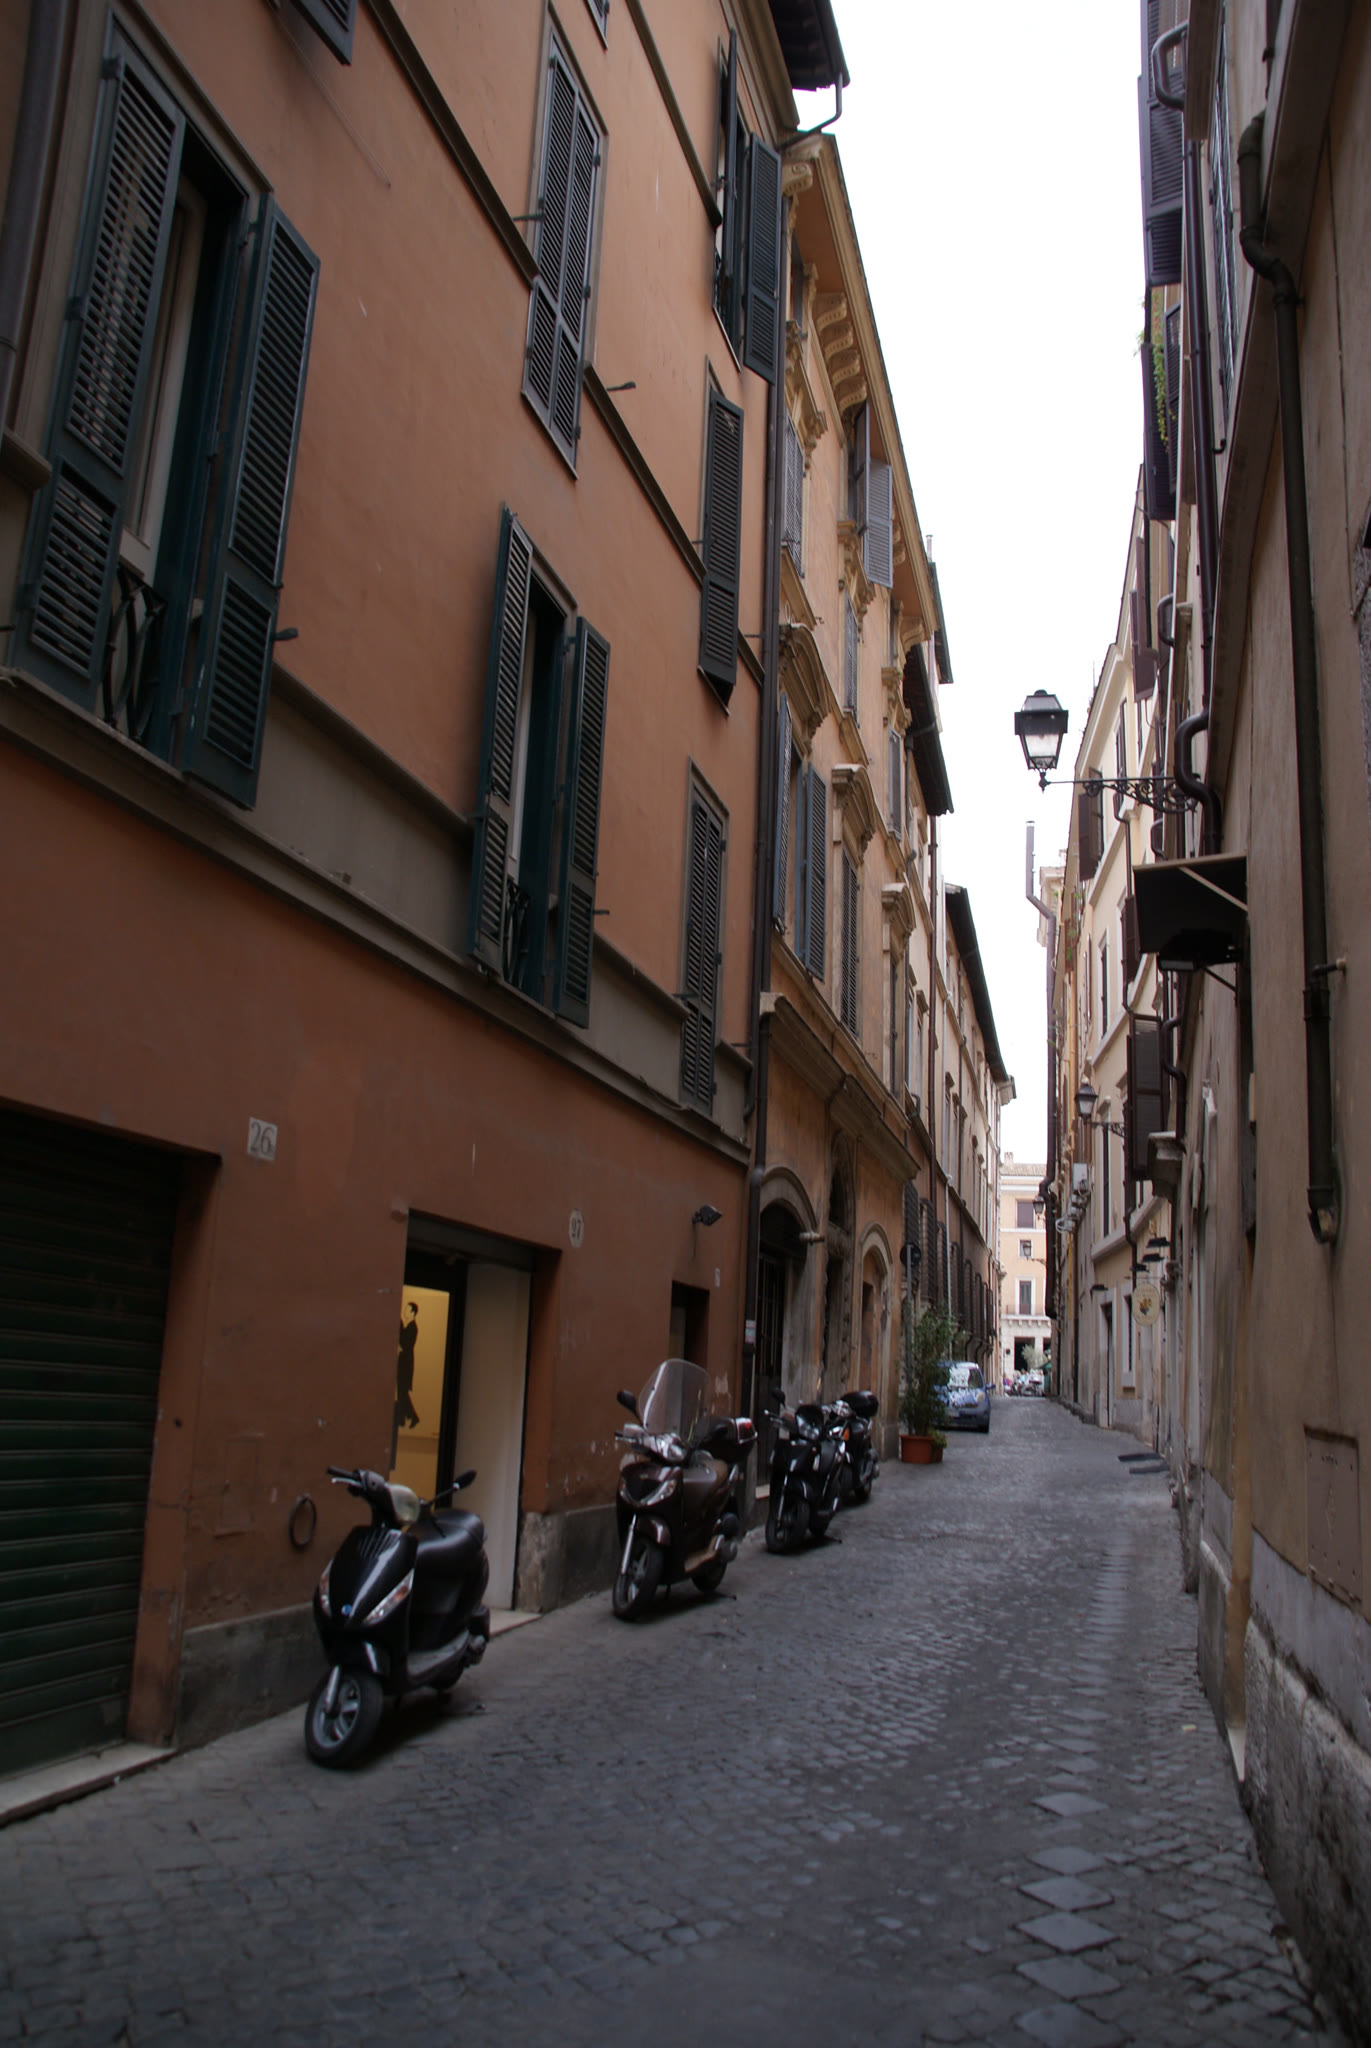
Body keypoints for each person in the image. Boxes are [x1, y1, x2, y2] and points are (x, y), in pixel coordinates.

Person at [392, 1302, 421, 1465]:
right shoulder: (409, 1326)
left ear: (413, 1313)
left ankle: (411, 1417)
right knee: (402, 1392)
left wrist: (400, 1325)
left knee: (402, 1392)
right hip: (403, 1363)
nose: (405, 1312)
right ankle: (404, 1418)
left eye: (407, 1310)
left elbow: (404, 1343)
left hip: (405, 1364)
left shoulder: (412, 1328)